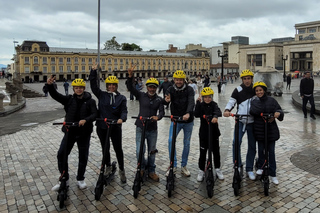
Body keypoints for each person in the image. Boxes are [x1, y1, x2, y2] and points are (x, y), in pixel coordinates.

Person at [47, 76, 98, 191]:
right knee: (61, 154)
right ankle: (64, 178)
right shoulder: (69, 99)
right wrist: (50, 86)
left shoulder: (90, 101)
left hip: (84, 132)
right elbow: (56, 95)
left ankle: (80, 178)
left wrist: (86, 120)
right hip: (70, 131)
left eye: (81, 88)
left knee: (83, 156)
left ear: (84, 88)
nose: (79, 89)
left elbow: (95, 114)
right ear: (73, 89)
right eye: (76, 88)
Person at [89, 64, 128, 183]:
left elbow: (124, 111)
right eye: (109, 85)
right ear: (107, 86)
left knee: (118, 149)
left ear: (116, 86)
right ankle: (108, 166)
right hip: (102, 126)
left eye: (113, 85)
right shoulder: (102, 95)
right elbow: (93, 86)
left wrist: (122, 118)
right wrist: (93, 72)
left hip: (115, 126)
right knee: (105, 148)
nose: (111, 87)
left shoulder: (121, 98)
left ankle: (121, 169)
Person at [127, 65, 164, 182]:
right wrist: (130, 76)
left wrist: (157, 117)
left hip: (152, 128)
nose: (152, 89)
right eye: (150, 87)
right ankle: (142, 167)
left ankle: (151, 170)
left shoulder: (159, 100)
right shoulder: (141, 95)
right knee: (139, 150)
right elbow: (131, 88)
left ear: (156, 88)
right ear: (147, 87)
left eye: (154, 87)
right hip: (140, 127)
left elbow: (162, 112)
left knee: (152, 151)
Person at [223, 69, 257, 180]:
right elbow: (231, 101)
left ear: (252, 79)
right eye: (245, 79)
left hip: (253, 122)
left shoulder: (256, 89)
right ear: (242, 79)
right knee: (236, 142)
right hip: (241, 120)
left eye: (249, 78)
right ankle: (237, 164)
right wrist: (227, 109)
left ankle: (249, 168)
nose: (247, 81)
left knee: (252, 145)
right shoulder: (238, 90)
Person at [250, 81, 284, 185]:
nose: (259, 92)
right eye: (257, 91)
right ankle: (260, 167)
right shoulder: (255, 101)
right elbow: (253, 111)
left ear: (264, 90)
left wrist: (277, 114)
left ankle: (273, 174)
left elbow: (279, 110)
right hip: (260, 131)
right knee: (261, 151)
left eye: (260, 90)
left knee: (271, 152)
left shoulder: (272, 100)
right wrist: (270, 114)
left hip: (271, 131)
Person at [164, 70, 195, 177]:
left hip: (188, 121)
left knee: (186, 143)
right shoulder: (171, 89)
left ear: (184, 80)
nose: (178, 82)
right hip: (176, 120)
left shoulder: (189, 89)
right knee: (170, 140)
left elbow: (191, 102)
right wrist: (166, 99)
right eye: (177, 80)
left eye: (180, 80)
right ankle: (173, 165)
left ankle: (184, 165)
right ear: (174, 80)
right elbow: (166, 96)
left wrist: (188, 113)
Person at [194, 87, 224, 181]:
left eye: (209, 97)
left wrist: (215, 116)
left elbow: (218, 111)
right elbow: (196, 114)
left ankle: (218, 169)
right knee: (203, 152)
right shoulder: (201, 105)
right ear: (203, 98)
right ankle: (201, 170)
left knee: (216, 152)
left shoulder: (214, 104)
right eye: (205, 97)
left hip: (214, 132)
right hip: (204, 133)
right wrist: (197, 103)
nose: (207, 99)